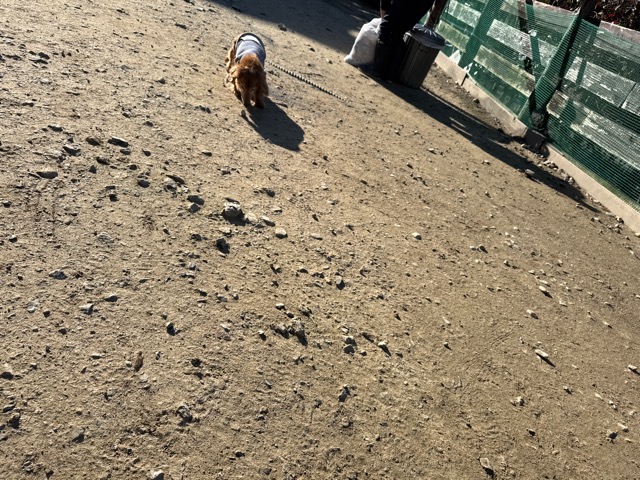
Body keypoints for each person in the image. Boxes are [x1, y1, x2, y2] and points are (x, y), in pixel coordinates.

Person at [374, 0, 436, 80]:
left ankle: (377, 71)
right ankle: (390, 75)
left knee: (386, 28)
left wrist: (384, 18)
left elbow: (384, 4)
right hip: (424, 4)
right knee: (399, 33)